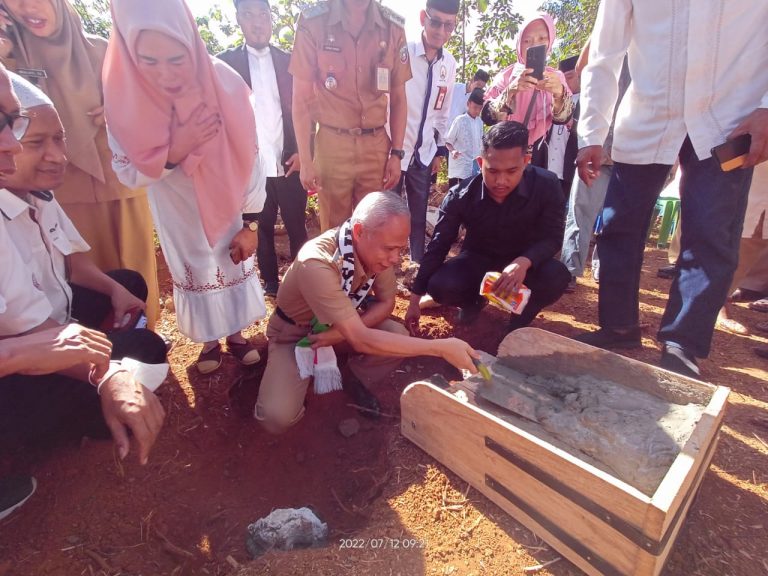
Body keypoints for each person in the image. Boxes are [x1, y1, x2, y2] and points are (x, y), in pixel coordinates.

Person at [574, 0, 768, 379]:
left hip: (730, 119)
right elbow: (604, 51)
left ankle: (683, 343)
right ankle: (618, 326)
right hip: (648, 116)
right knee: (617, 225)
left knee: (711, 233)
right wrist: (592, 133)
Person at [0, 61, 164, 465]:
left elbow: (74, 263)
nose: (57, 156)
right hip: (24, 359)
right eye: (35, 141)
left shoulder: (39, 194)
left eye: (60, 139)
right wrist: (106, 373)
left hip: (51, 327)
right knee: (145, 350)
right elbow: (32, 336)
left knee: (128, 282)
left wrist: (115, 292)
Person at [103, 0, 267, 374]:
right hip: (174, 208)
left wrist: (251, 222)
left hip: (229, 203)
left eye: (176, 59)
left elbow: (253, 156)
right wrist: (174, 151)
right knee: (194, 267)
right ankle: (209, 342)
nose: (165, 73)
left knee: (231, 261)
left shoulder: (224, 84)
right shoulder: (123, 98)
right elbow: (128, 173)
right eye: (148, 60)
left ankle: (237, 335)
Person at [254, 191, 479, 434]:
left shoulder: (371, 249)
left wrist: (339, 334)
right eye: (390, 249)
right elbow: (362, 339)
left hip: (337, 330)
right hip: (297, 336)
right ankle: (297, 379)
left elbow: (387, 302)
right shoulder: (318, 262)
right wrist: (440, 348)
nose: (395, 259)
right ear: (359, 231)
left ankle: (353, 377)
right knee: (276, 417)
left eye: (400, 249)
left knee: (397, 334)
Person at [0, 0, 160, 328]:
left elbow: (152, 106)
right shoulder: (10, 62)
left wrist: (121, 110)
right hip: (62, 189)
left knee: (132, 274)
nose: (27, 7)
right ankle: (90, 347)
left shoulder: (104, 51)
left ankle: (141, 333)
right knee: (69, 271)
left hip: (118, 179)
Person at [405, 121, 570, 331]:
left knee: (556, 277)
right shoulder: (461, 195)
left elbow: (553, 237)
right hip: (478, 261)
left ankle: (519, 322)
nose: (501, 181)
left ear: (526, 161)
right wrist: (414, 301)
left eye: (511, 171)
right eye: (492, 171)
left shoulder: (547, 186)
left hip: (527, 265)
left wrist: (524, 261)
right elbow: (438, 246)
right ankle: (473, 303)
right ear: (480, 162)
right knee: (440, 285)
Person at [290, 0, 411, 231]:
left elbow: (398, 98)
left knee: (374, 229)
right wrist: (305, 159)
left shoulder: (392, 27)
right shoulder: (314, 22)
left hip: (375, 148)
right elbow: (301, 99)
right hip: (332, 146)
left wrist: (396, 154)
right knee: (334, 233)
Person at [218, 0, 307, 298]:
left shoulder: (290, 62)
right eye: (249, 15)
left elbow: (306, 109)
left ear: (270, 19)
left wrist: (304, 152)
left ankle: (302, 282)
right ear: (238, 19)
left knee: (297, 226)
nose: (257, 23)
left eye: (263, 15)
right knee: (260, 226)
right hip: (250, 166)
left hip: (290, 161)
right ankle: (270, 283)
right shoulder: (224, 64)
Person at [560, 44, 630, 290]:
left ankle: (605, 268)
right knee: (581, 211)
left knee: (617, 218)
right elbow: (581, 69)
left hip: (631, 151)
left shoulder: (651, 53)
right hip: (596, 147)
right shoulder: (604, 45)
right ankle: (569, 270)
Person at [393, 0, 458, 264]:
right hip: (395, 149)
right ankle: (384, 268)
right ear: (423, 18)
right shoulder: (403, 52)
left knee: (418, 214)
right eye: (436, 22)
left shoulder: (449, 64)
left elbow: (442, 112)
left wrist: (439, 152)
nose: (441, 31)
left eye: (449, 25)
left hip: (424, 152)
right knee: (387, 210)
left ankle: (416, 264)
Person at [483, 14, 573, 168]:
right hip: (505, 152)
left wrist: (558, 93)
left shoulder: (556, 78)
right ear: (519, 44)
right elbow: (488, 117)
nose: (535, 45)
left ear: (550, 42)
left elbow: (563, 119)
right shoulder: (507, 76)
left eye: (542, 39)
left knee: (536, 183)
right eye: (527, 40)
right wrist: (510, 91)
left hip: (540, 154)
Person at [445, 87, 484, 187]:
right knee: (456, 192)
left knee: (472, 191)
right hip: (460, 165)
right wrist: (453, 151)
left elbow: (481, 142)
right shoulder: (460, 120)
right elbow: (448, 142)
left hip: (475, 166)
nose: (477, 111)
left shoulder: (480, 122)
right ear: (468, 104)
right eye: (475, 107)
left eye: (480, 108)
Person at [446, 68, 489, 132]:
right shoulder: (454, 87)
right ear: (472, 80)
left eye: (481, 87)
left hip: (457, 132)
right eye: (478, 85)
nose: (479, 89)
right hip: (441, 128)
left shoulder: (476, 100)